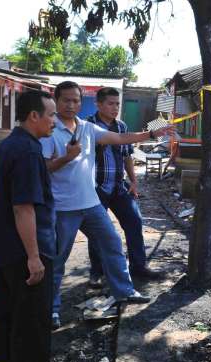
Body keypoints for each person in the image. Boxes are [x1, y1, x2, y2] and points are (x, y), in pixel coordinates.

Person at [40, 81, 175, 329]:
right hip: (63, 208)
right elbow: (43, 168)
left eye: (76, 100)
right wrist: (66, 158)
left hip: (91, 203)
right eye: (66, 100)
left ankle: (124, 291)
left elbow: (123, 139)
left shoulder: (87, 128)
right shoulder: (49, 131)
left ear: (82, 102)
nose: (71, 105)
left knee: (112, 243)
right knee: (57, 259)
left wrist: (154, 132)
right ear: (56, 101)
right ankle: (51, 310)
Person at [0, 90, 57, 362]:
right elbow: (23, 207)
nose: (55, 121)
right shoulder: (28, 151)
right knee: (31, 327)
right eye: (51, 115)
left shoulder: (9, 145)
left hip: (5, 250)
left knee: (9, 319)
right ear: (34, 116)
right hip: (25, 253)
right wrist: (33, 257)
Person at [87, 87, 162, 289]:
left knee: (134, 221)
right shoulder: (88, 125)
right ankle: (97, 273)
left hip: (119, 186)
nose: (115, 108)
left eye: (117, 104)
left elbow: (127, 155)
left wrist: (134, 181)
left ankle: (138, 266)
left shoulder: (121, 126)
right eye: (110, 103)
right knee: (97, 231)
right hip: (97, 187)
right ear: (99, 104)